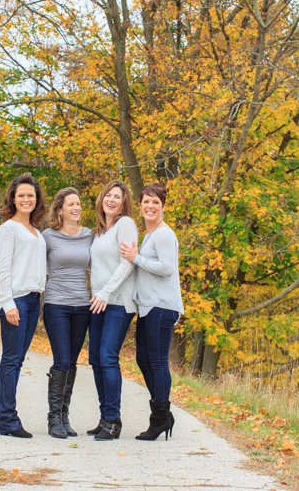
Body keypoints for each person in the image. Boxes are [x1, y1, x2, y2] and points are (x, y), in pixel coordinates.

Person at [120, 182, 184, 441]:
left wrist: (136, 258)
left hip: (162, 306)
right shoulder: (149, 235)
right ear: (140, 205)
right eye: (146, 201)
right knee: (143, 360)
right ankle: (162, 412)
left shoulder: (164, 234)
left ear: (163, 206)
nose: (150, 206)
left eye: (155, 202)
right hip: (148, 307)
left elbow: (167, 268)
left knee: (156, 361)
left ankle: (159, 418)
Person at [0, 172, 47, 438]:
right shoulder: (8, 229)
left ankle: (7, 415)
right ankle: (7, 420)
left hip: (33, 300)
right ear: (13, 200)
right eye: (21, 195)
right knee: (11, 359)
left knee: (18, 359)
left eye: (30, 195)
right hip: (16, 300)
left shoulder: (37, 232)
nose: (26, 199)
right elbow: (3, 270)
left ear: (37, 200)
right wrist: (7, 303)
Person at [88, 179, 138, 441]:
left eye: (117, 197)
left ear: (123, 202)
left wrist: (106, 292)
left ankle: (113, 420)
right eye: (108, 195)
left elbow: (126, 264)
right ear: (101, 199)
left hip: (118, 301)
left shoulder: (125, 225)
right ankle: (104, 416)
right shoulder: (99, 231)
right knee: (95, 359)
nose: (112, 199)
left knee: (108, 357)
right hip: (98, 302)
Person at [42, 187, 93, 439]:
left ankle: (64, 415)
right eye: (71, 204)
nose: (77, 207)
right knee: (61, 361)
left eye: (79, 203)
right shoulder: (48, 237)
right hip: (56, 304)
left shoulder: (90, 236)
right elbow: (36, 268)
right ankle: (53, 419)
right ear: (60, 208)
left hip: (82, 306)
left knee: (72, 362)